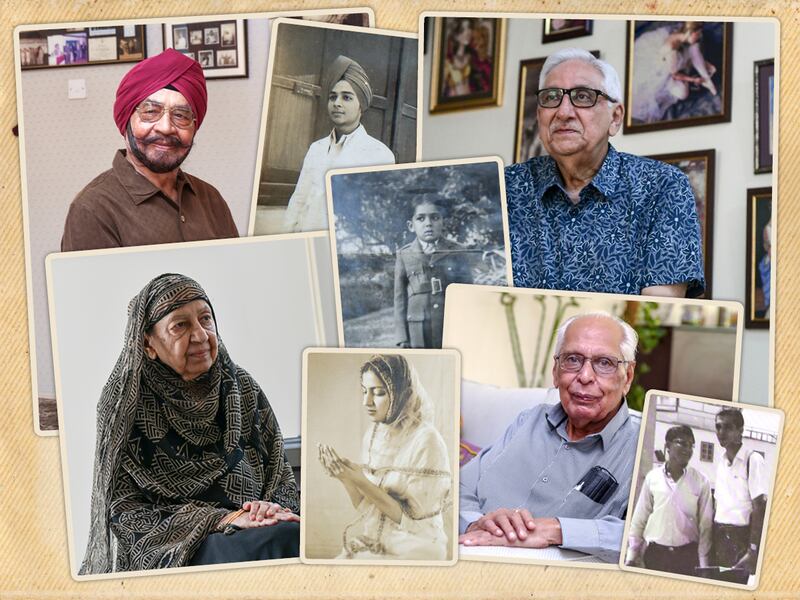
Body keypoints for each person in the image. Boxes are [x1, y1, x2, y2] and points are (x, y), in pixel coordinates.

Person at [79, 273, 299, 574]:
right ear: (148, 344)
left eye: (205, 319)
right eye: (180, 325)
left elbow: (280, 475)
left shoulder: (242, 387)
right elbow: (125, 514)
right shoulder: (125, 405)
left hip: (263, 528)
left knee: (297, 537)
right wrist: (223, 520)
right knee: (277, 543)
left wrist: (269, 509)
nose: (200, 335)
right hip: (180, 547)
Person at [504, 48, 705, 298]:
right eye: (551, 97)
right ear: (539, 115)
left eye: (583, 96)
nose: (563, 112)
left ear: (615, 118)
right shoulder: (504, 188)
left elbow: (658, 315)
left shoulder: (663, 187)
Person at [458, 311, 639, 563]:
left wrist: (555, 530)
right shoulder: (529, 420)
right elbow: (458, 486)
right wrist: (474, 523)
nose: (585, 376)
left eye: (604, 363)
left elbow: (652, 536)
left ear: (627, 377)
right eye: (573, 360)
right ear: (555, 371)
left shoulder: (643, 449)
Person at [61, 49, 239, 251]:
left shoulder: (211, 198)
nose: (166, 127)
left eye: (181, 115)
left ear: (194, 126)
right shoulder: (93, 209)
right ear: (126, 120)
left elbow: (236, 275)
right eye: (151, 112)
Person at [317, 354, 451, 560]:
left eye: (378, 393)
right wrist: (345, 478)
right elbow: (367, 507)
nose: (366, 402)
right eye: (364, 391)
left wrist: (359, 479)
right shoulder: (373, 436)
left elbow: (410, 520)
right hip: (380, 541)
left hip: (418, 546)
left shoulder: (427, 441)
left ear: (401, 394)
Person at [282, 55, 395, 233]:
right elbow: (298, 199)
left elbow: (374, 216)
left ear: (361, 105)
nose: (337, 104)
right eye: (333, 97)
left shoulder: (380, 154)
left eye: (347, 98)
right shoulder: (316, 148)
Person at [625, 425, 713, 575]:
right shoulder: (652, 478)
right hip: (655, 556)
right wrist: (631, 555)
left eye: (691, 445)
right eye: (682, 443)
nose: (688, 449)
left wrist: (703, 565)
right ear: (667, 446)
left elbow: (706, 527)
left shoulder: (701, 481)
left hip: (687, 558)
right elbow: (639, 519)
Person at [394, 195, 475, 349]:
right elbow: (399, 299)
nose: (428, 224)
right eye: (421, 219)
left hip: (451, 324)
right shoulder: (404, 254)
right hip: (417, 329)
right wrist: (402, 336)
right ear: (411, 225)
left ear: (442, 221)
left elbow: (468, 294)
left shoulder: (457, 251)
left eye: (435, 218)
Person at [712, 408, 769, 581]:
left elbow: (760, 506)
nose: (721, 432)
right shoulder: (720, 461)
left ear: (740, 431)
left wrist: (753, 549)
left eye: (727, 427)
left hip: (740, 539)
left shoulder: (753, 460)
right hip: (719, 536)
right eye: (718, 427)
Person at [631, 22, 719, 124]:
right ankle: (702, 78)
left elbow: (689, 56)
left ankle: (707, 80)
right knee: (683, 93)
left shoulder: (685, 38)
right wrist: (693, 79)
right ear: (691, 33)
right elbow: (674, 75)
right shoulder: (671, 49)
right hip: (665, 71)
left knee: (694, 48)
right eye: (698, 34)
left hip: (674, 61)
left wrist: (707, 65)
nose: (699, 36)